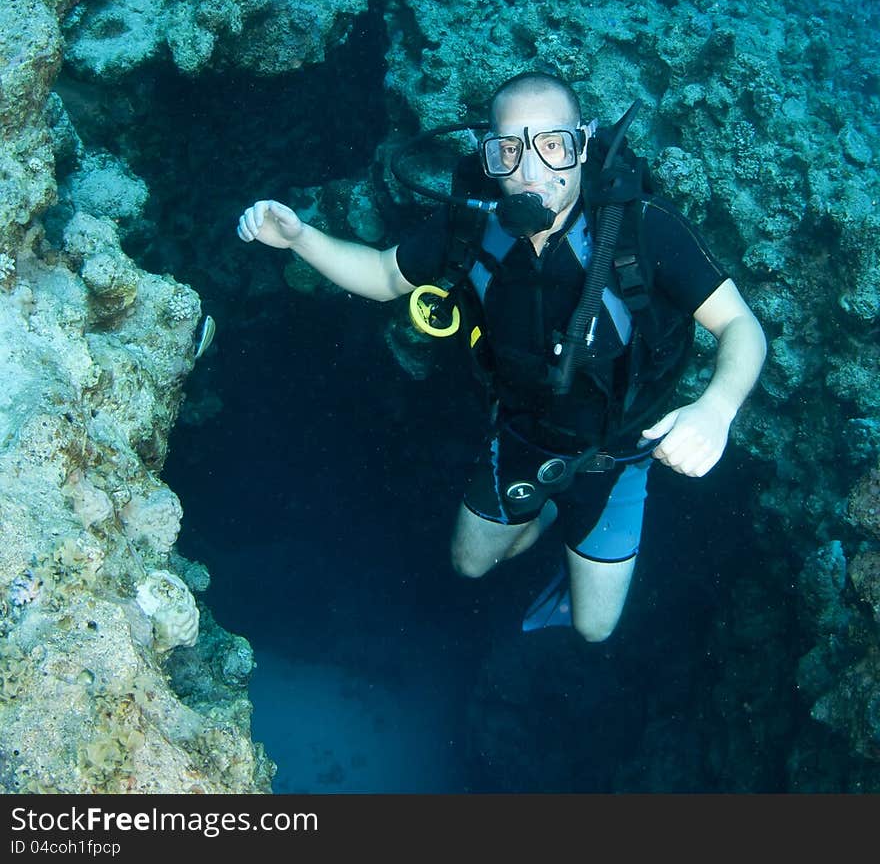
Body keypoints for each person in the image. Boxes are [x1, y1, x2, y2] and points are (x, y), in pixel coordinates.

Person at [237, 70, 766, 644]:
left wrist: (716, 410)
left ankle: (569, 551)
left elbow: (741, 325)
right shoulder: (473, 224)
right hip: (520, 433)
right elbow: (385, 274)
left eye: (554, 145)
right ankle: (540, 512)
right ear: (489, 155)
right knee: (468, 564)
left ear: (583, 145)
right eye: (509, 150)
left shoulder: (643, 230)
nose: (531, 172)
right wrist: (299, 239)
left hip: (617, 457)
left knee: (594, 629)